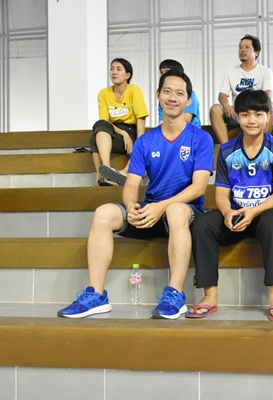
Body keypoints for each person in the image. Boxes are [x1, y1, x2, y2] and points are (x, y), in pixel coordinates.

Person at [57, 69, 214, 320]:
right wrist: (130, 205)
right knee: (104, 213)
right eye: (167, 91)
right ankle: (96, 295)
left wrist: (161, 207)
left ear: (188, 100)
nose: (173, 97)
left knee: (175, 211)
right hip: (149, 210)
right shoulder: (145, 141)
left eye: (179, 93)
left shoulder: (201, 139)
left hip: (184, 211)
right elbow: (131, 184)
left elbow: (199, 187)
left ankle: (175, 294)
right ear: (158, 95)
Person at [190, 89, 273, 321]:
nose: (252, 120)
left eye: (258, 114)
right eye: (245, 115)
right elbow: (221, 194)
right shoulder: (227, 150)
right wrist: (227, 212)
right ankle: (209, 295)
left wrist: (254, 211)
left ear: (268, 116)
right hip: (237, 213)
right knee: (202, 224)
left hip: (266, 212)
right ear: (237, 117)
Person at [91, 58, 149, 186]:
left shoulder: (134, 90)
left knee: (95, 138)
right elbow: (105, 121)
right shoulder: (103, 93)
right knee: (99, 127)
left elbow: (141, 118)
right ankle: (106, 172)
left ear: (127, 75)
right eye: (112, 69)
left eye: (118, 69)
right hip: (115, 130)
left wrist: (139, 142)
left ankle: (108, 176)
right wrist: (123, 133)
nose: (114, 72)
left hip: (131, 130)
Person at [209, 34, 273, 145]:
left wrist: (254, 110)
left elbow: (267, 95)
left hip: (256, 111)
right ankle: (226, 147)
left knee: (271, 106)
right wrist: (226, 105)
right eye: (240, 47)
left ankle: (262, 144)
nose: (242, 50)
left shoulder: (265, 72)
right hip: (237, 112)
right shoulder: (231, 71)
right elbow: (222, 95)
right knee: (215, 109)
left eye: (247, 47)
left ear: (256, 52)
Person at [158, 59, 201, 128]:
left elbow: (185, 121)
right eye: (161, 72)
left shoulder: (190, 95)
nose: (162, 75)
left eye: (166, 71)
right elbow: (161, 122)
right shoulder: (163, 98)